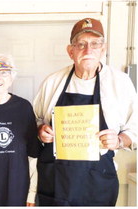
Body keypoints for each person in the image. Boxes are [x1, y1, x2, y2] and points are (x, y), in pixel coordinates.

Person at [33, 18, 137, 206]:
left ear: (103, 49)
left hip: (97, 183)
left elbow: (135, 129)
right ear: (70, 51)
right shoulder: (52, 82)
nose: (88, 50)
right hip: (55, 182)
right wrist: (40, 131)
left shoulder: (120, 83)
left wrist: (120, 140)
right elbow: (34, 120)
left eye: (95, 44)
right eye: (81, 44)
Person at [0, 54, 42, 206]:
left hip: (17, 190)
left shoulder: (24, 108)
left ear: (12, 78)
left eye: (4, 72)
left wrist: (31, 194)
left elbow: (33, 155)